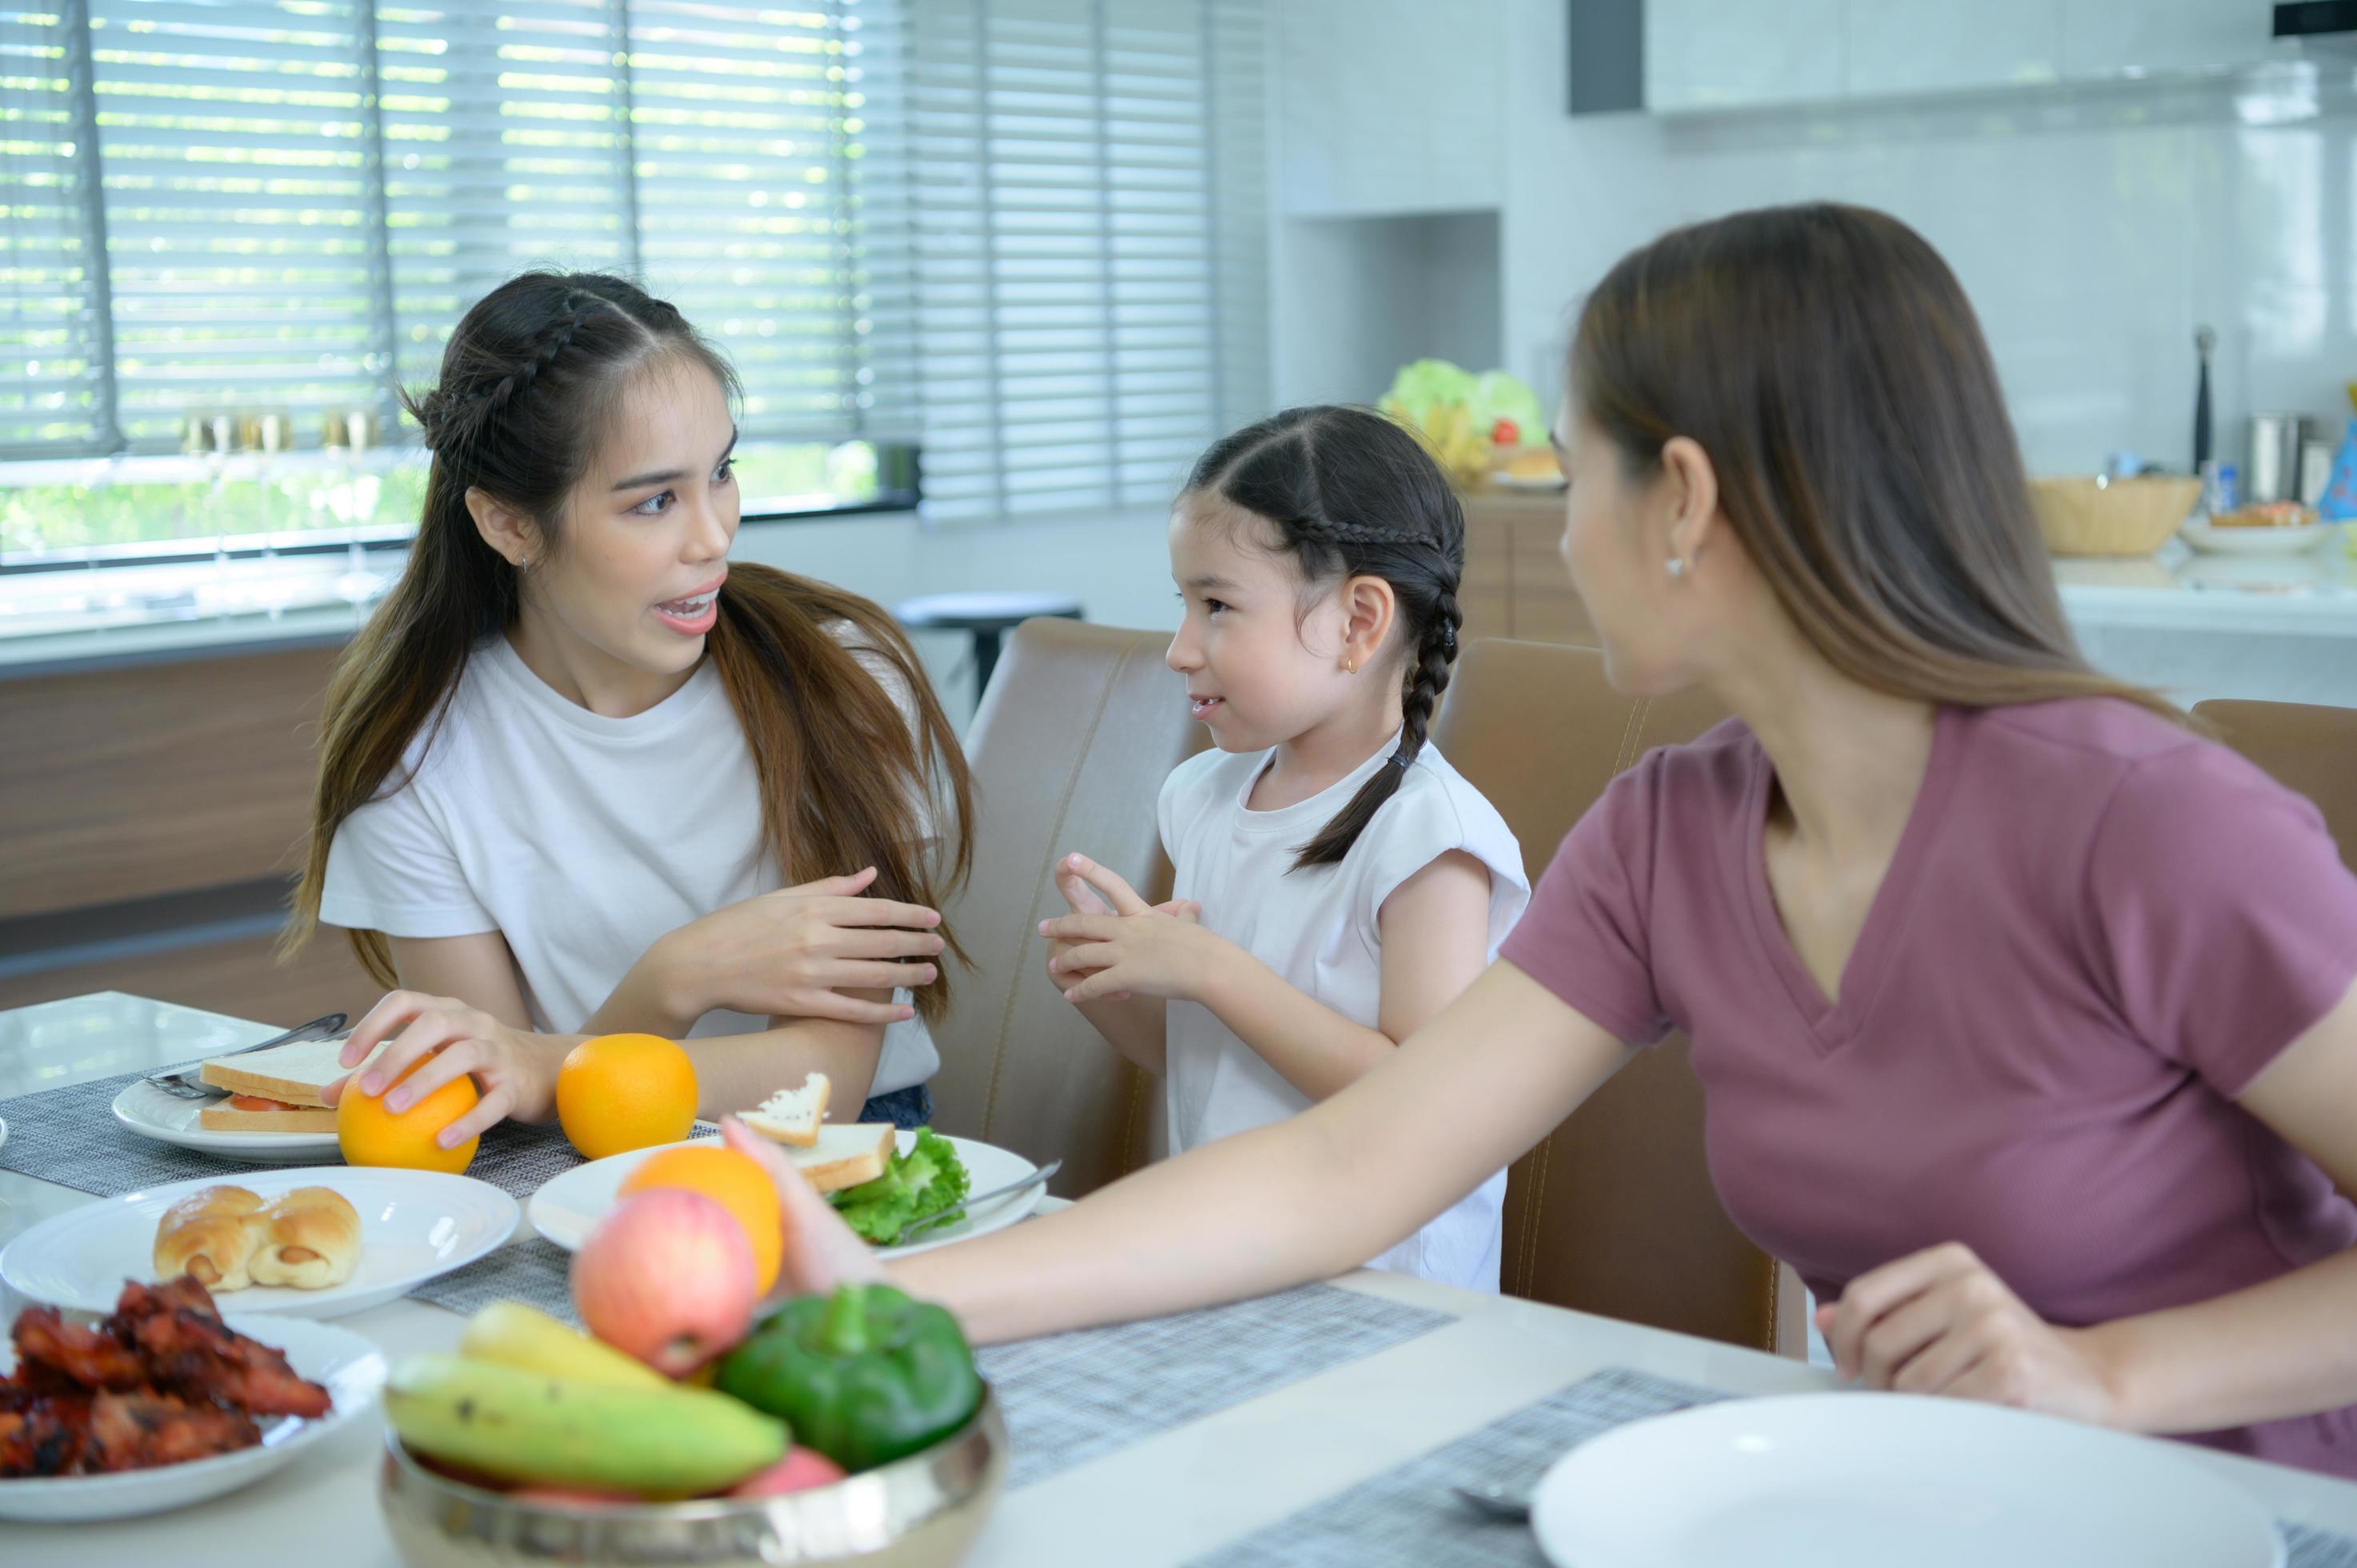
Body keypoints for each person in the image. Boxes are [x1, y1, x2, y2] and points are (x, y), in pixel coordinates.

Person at [736, 205, 2357, 1480]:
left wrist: (2112, 1372)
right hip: (1920, 1492)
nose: (1559, 529)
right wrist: (895, 1288)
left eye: (1576, 474)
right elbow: (1350, 1161)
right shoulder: (1675, 830)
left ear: (1686, 501)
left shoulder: (2151, 822)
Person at [282, 270, 972, 1145]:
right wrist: (677, 976)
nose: (714, 537)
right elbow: (491, 1105)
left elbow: (828, 1080)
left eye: (720, 473)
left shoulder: (841, 683)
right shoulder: (415, 761)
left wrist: (550, 1065)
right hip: (561, 1155)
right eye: (654, 500)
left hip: (840, 1146)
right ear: (509, 525)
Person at [1040, 406, 1529, 1290]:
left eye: (1218, 606)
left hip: (1386, 1296)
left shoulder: (1430, 837)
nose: (1180, 648)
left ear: (1359, 622)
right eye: (1183, 604)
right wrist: (1115, 979)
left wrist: (1209, 968)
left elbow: (1420, 1102)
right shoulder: (1201, 795)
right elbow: (1197, 1053)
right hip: (1235, 1258)